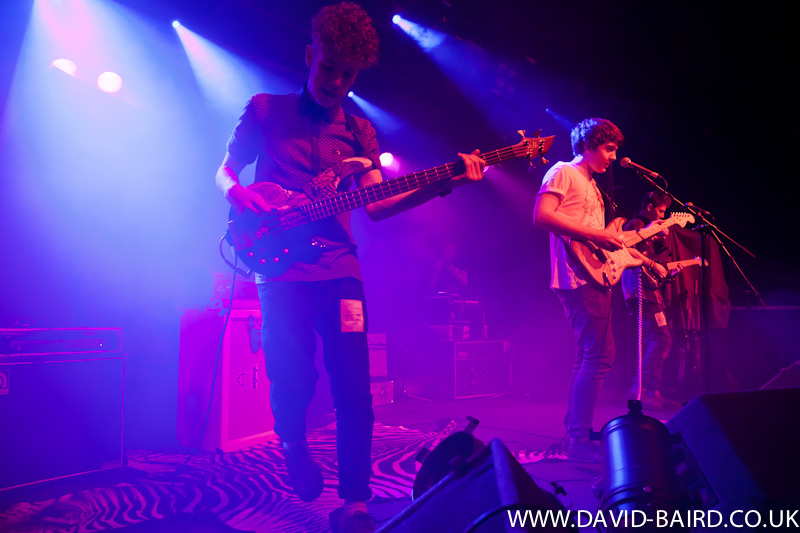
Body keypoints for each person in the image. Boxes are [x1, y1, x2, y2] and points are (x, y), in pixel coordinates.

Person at [214, 3, 485, 531]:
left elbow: (378, 206)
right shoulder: (266, 110)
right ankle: (293, 442)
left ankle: (356, 502)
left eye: (348, 74)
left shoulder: (360, 132)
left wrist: (446, 180)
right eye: (328, 68)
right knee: (293, 376)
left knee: (354, 387)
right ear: (310, 55)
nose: (336, 82)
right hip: (279, 267)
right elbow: (225, 169)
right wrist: (238, 194)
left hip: (340, 269)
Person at [532, 117, 624, 462]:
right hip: (576, 278)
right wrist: (597, 235)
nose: (613, 157)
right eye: (608, 149)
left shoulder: (592, 184)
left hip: (592, 275)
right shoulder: (563, 172)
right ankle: (578, 439)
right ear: (588, 145)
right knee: (600, 355)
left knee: (590, 355)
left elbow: (593, 237)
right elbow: (542, 215)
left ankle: (576, 434)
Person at [621, 191, 682, 410]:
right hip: (640, 293)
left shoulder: (649, 232)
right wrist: (649, 232)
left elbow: (649, 266)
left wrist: (666, 271)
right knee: (661, 340)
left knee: (655, 340)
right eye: (661, 211)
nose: (663, 216)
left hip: (648, 293)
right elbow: (626, 251)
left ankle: (648, 391)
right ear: (649, 207)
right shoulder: (636, 225)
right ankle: (643, 389)